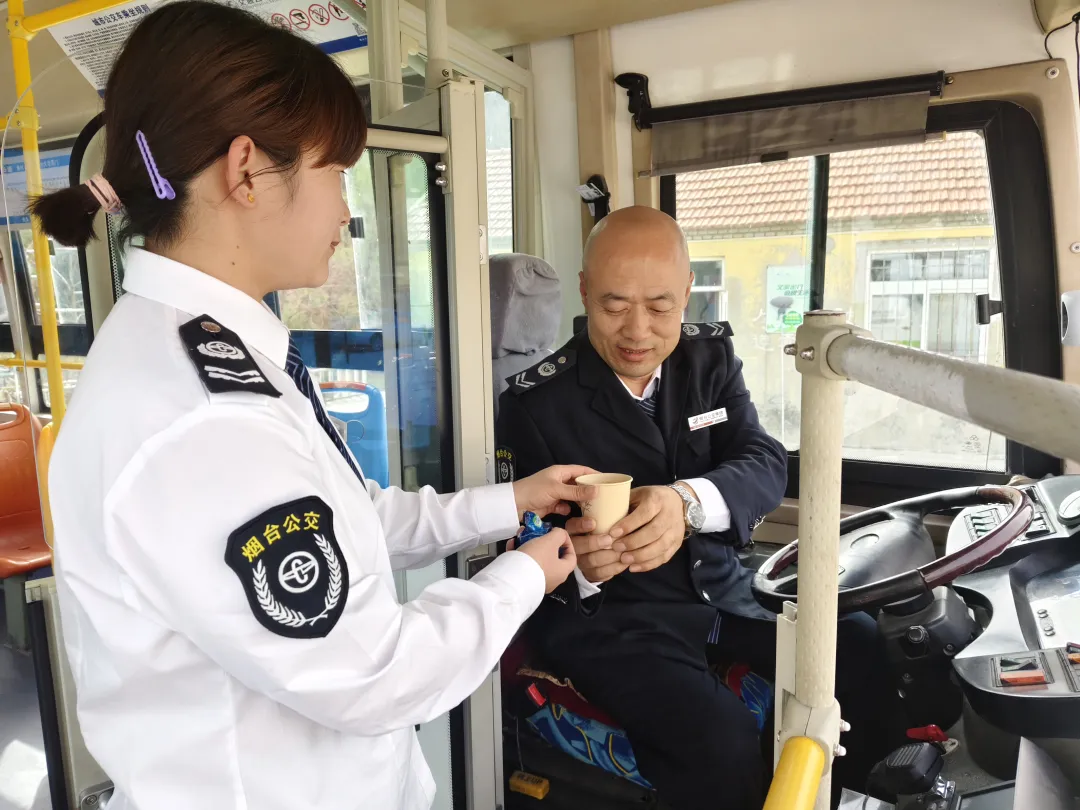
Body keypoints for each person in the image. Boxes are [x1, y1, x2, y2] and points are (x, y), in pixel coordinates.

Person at [34, 4, 597, 809]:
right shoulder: (205, 418)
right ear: (247, 171)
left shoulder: (210, 356)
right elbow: (374, 674)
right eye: (335, 171)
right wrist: (527, 575)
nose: (344, 210)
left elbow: (344, 525)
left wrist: (510, 503)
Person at [496, 206, 903, 810]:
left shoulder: (708, 360)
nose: (638, 331)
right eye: (613, 306)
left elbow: (762, 458)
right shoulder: (535, 404)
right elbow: (519, 549)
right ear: (583, 291)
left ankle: (851, 795)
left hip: (721, 588)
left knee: (859, 643)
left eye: (660, 307)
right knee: (721, 739)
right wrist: (581, 569)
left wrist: (686, 502)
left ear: (688, 292)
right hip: (616, 622)